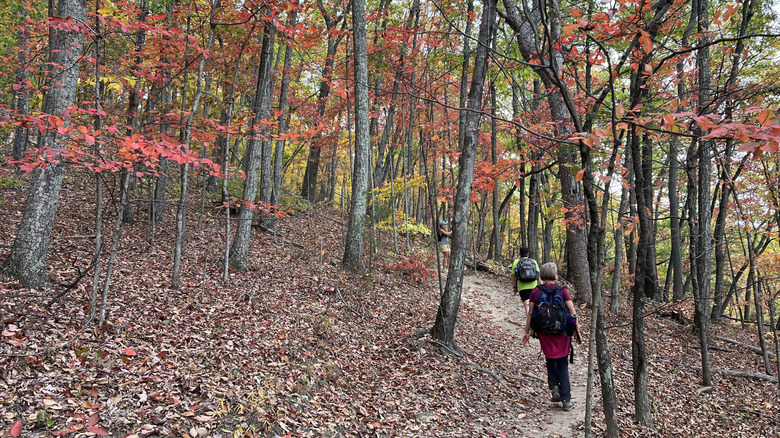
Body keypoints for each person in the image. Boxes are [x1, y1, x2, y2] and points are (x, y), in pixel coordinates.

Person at [521, 262, 580, 412]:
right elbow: (572, 313)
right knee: (562, 364)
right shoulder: (563, 291)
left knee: (550, 360)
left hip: (544, 333)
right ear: (555, 274)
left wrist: (526, 332)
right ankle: (566, 400)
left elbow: (530, 313)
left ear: (542, 275)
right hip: (562, 334)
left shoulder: (536, 291)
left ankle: (554, 387)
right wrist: (576, 331)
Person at [512, 247, 539, 316]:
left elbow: (513, 276)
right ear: (528, 254)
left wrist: (514, 287)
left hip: (522, 287)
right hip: (534, 286)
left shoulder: (516, 262)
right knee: (534, 305)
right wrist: (541, 286)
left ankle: (529, 321)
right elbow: (538, 275)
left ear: (520, 254)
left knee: (527, 305)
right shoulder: (534, 261)